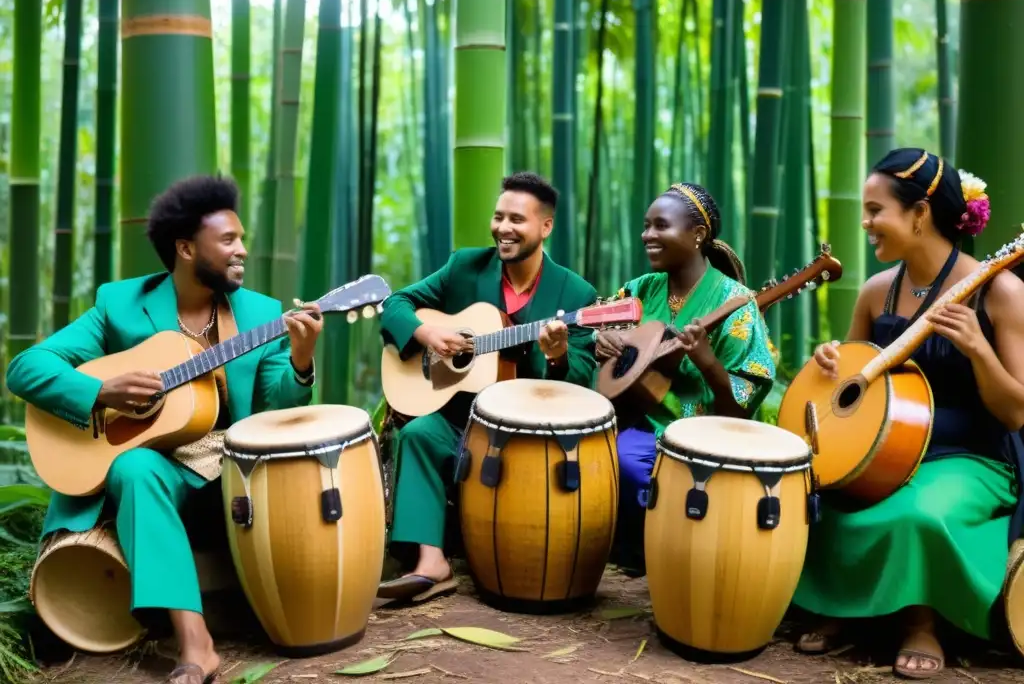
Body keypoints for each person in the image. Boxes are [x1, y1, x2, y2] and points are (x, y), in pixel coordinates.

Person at [6, 176, 323, 684]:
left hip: (227, 473)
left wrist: (302, 361)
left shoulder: (261, 314)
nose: (243, 249)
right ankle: (195, 645)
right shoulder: (123, 305)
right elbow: (27, 367)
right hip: (153, 472)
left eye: (242, 238)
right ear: (185, 248)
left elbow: (273, 404)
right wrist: (101, 390)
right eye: (228, 241)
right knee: (135, 464)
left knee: (146, 466)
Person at [792, 148, 1024, 679]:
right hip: (881, 451)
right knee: (820, 493)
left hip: (974, 457)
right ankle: (844, 608)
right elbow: (846, 386)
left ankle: (924, 622)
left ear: (920, 213)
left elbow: (1016, 413)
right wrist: (827, 363)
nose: (866, 223)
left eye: (876, 211)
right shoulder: (878, 292)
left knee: (918, 513)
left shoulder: (1000, 291)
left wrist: (979, 351)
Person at [375, 171, 599, 605]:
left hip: (529, 433)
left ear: (545, 227)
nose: (503, 228)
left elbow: (581, 384)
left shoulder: (577, 294)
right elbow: (396, 304)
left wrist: (557, 355)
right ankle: (431, 563)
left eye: (517, 219)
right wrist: (426, 335)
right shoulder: (465, 266)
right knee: (420, 434)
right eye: (499, 217)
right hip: (461, 419)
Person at [595, 182, 777, 576]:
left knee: (625, 460)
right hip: (632, 416)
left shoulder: (738, 304)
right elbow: (592, 327)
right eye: (646, 226)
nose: (647, 235)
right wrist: (603, 340)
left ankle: (662, 552)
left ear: (697, 235)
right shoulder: (640, 290)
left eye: (661, 225)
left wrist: (708, 362)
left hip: (704, 433)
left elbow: (739, 412)